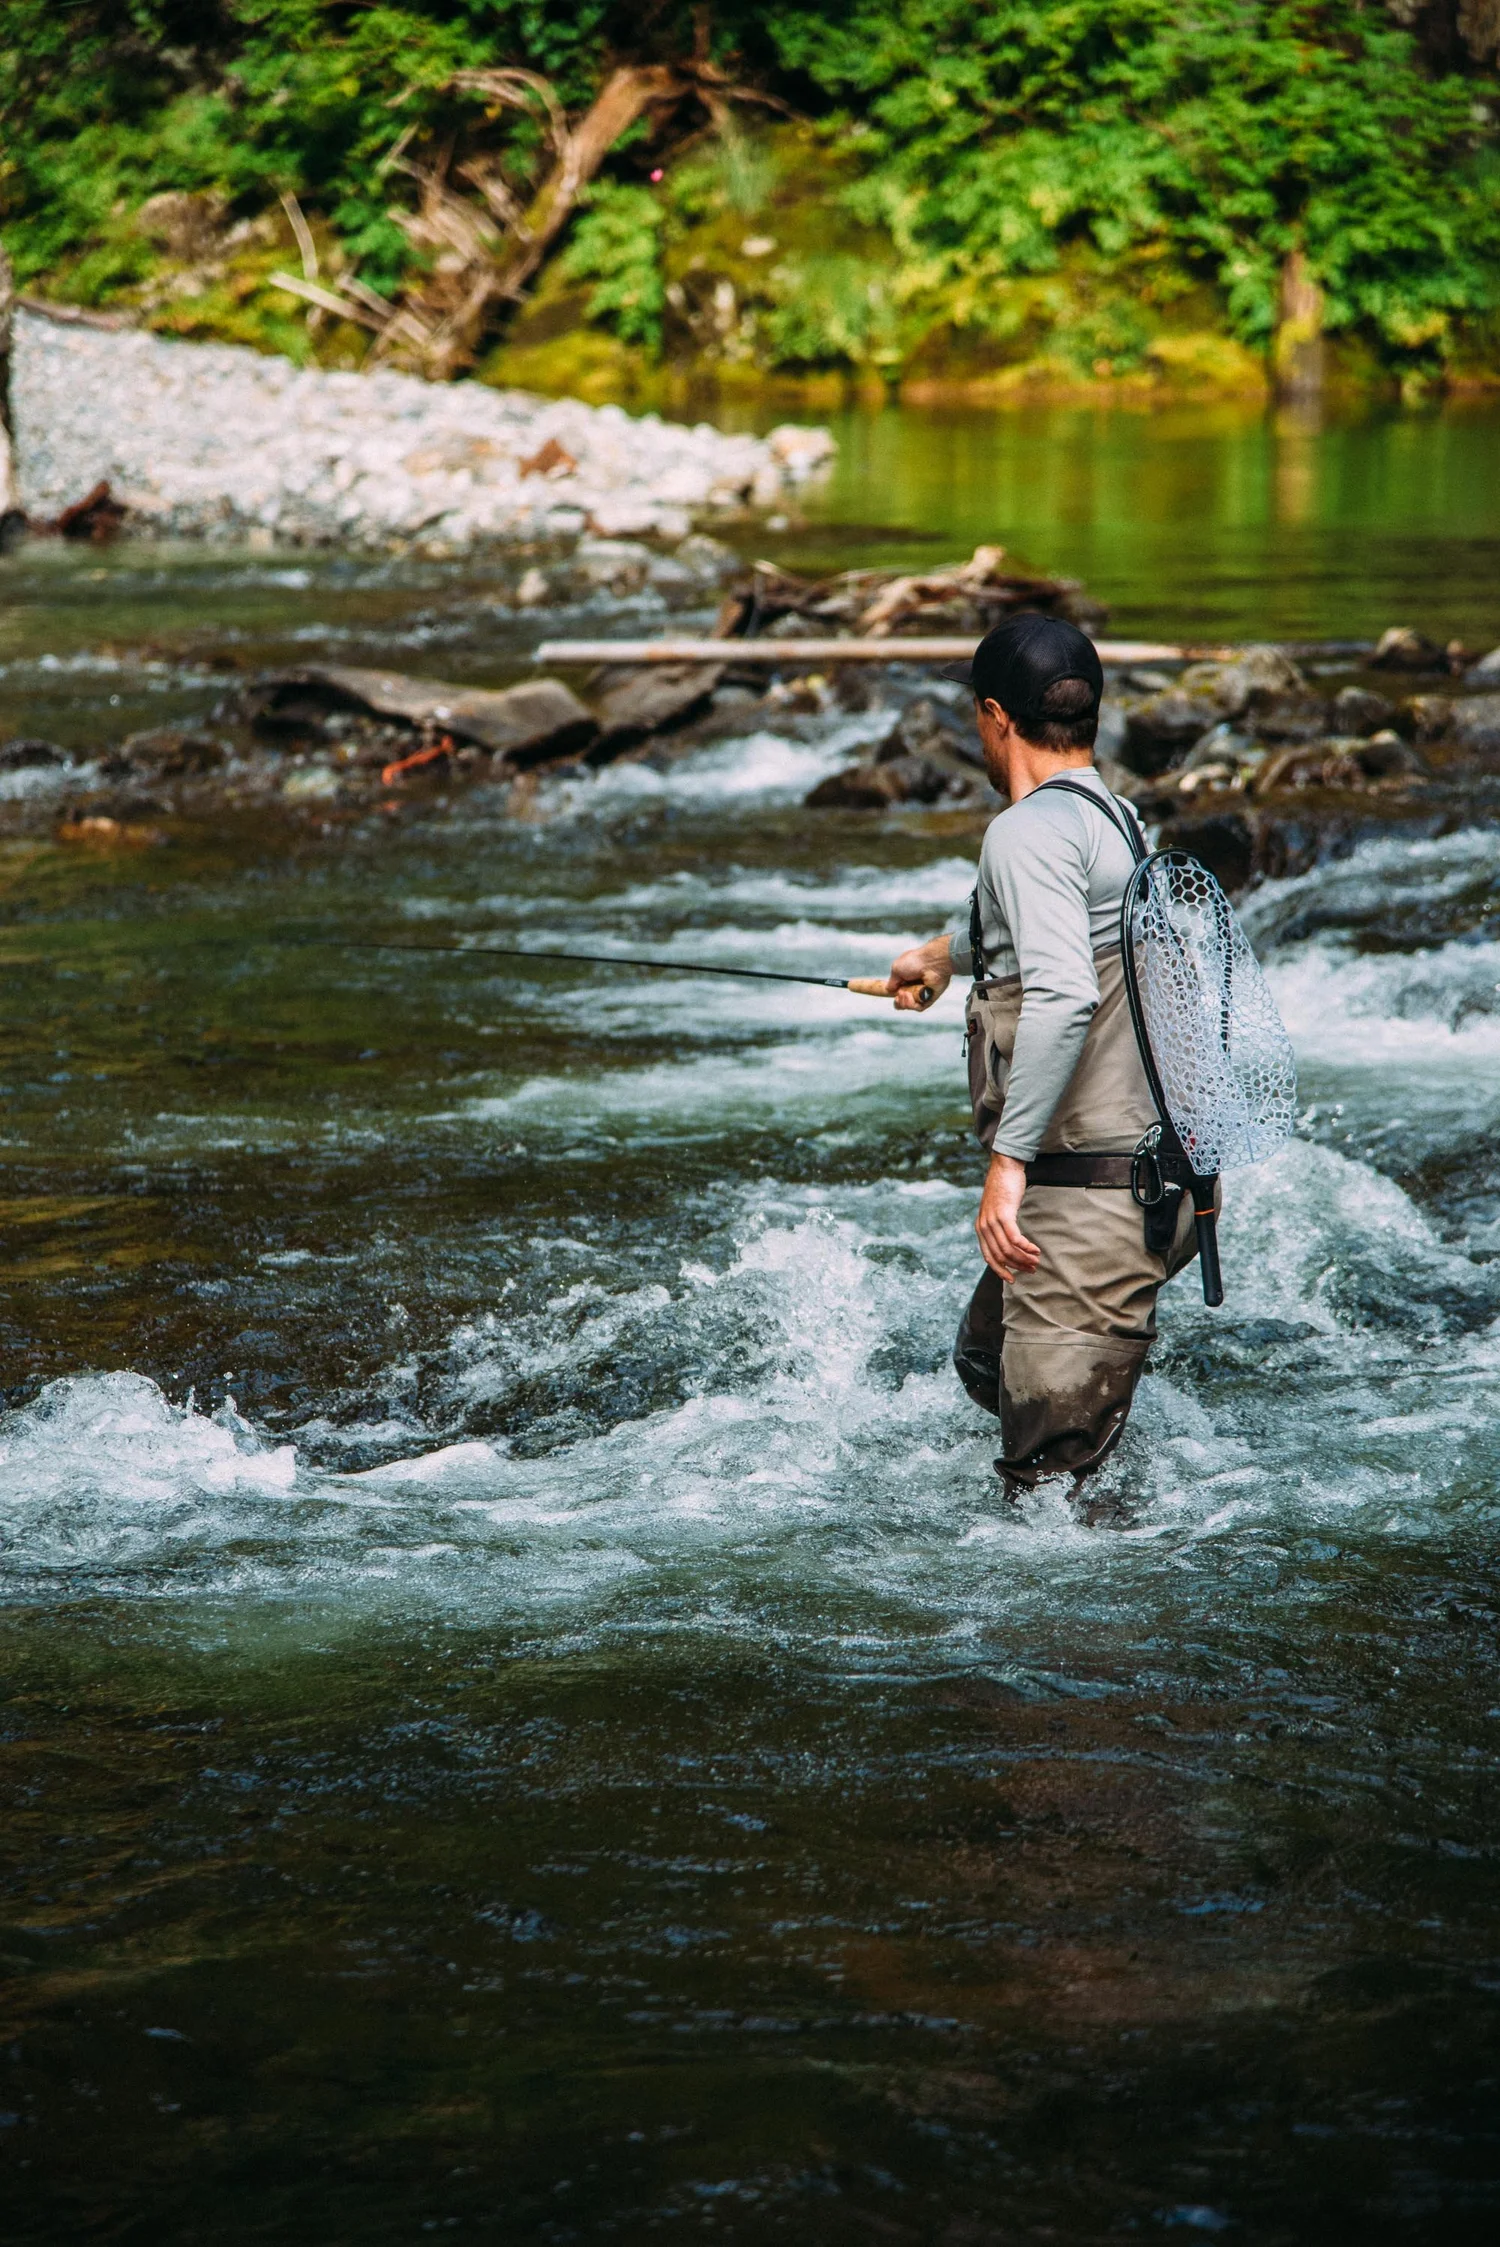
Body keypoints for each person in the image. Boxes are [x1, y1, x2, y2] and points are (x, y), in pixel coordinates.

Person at [885, 614, 1209, 1495]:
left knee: (1053, 1502)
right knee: (984, 1358)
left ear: (995, 717)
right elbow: (1065, 932)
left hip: (1088, 1198)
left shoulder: (1022, 831)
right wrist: (944, 955)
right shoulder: (1115, 813)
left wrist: (1006, 1166)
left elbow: (1065, 993)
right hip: (1159, 1184)